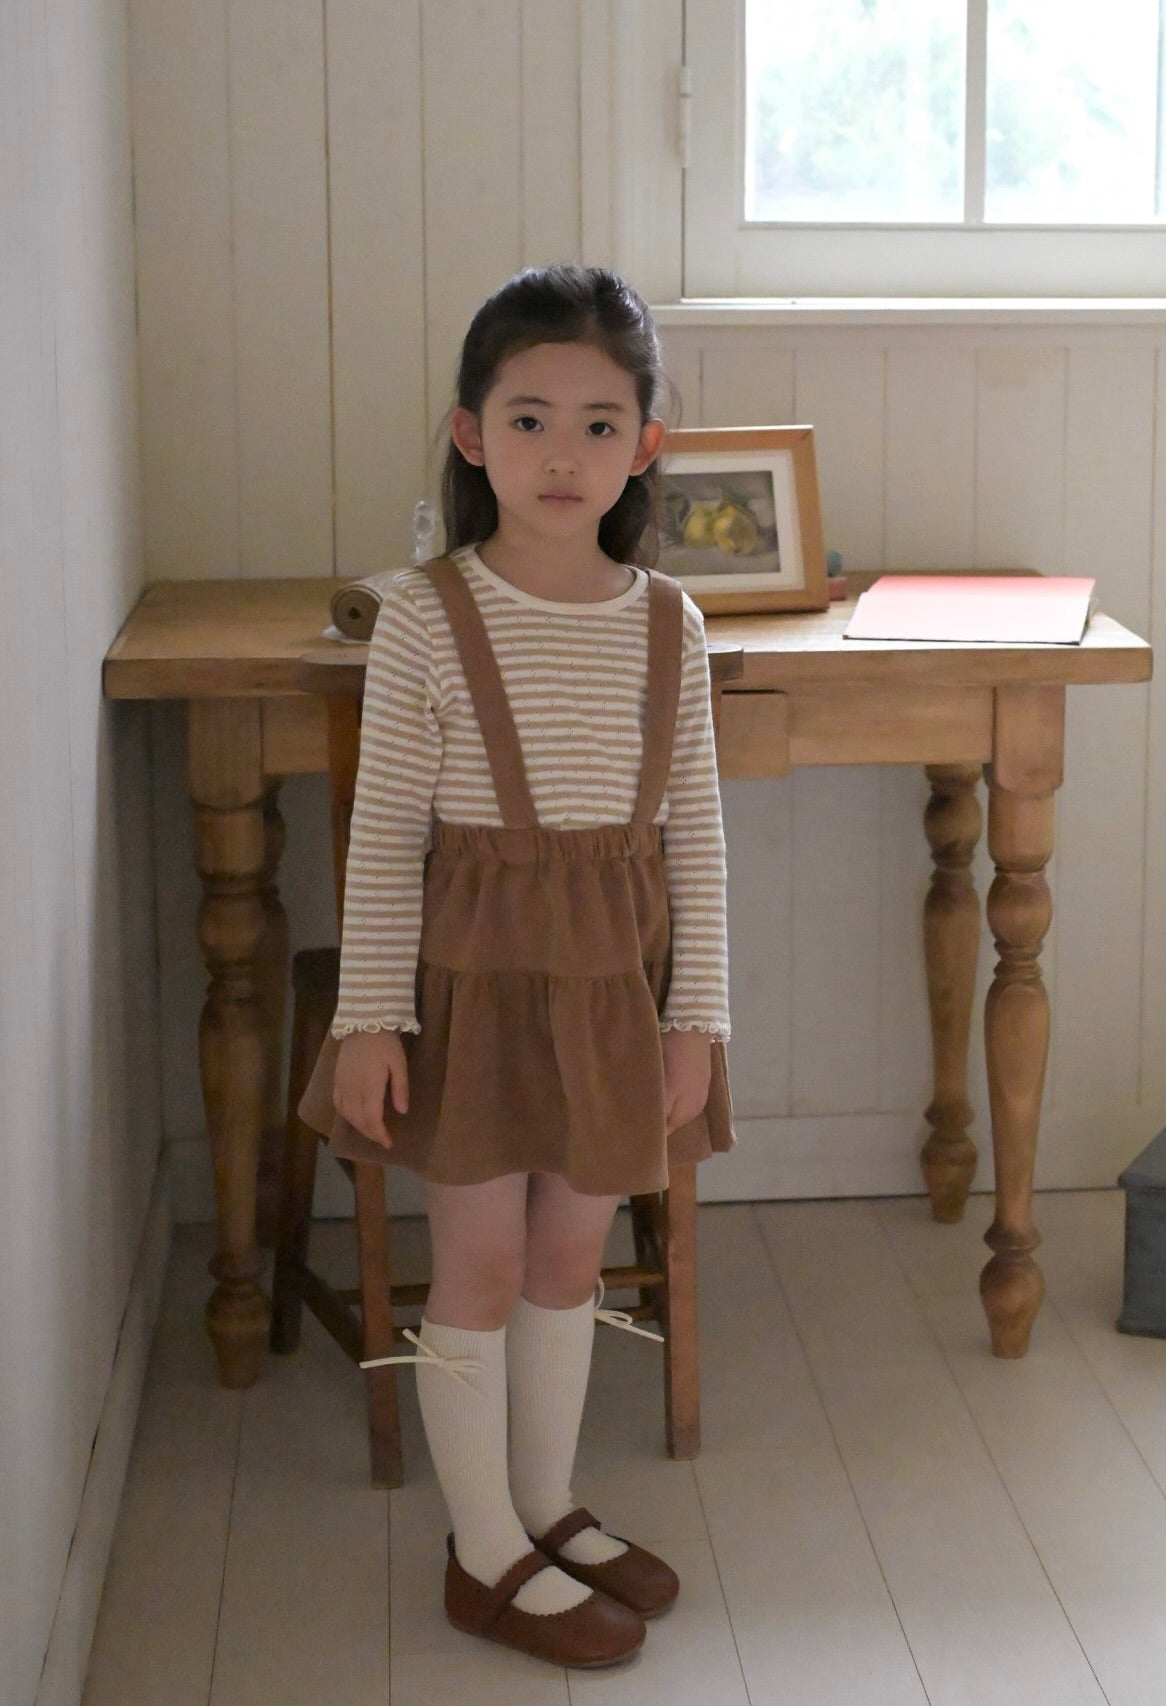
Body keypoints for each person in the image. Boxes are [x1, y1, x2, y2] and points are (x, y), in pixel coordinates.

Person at [298, 264, 735, 1669]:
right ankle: (481, 1548)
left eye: (599, 424)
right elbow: (385, 836)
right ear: (471, 433)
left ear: (645, 445)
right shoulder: (429, 615)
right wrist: (370, 1018)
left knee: (567, 1255)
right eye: (529, 418)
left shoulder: (670, 624)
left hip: (612, 996)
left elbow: (698, 841)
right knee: (479, 1263)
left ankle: (545, 1507)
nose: (563, 453)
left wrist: (697, 1021)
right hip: (470, 996)